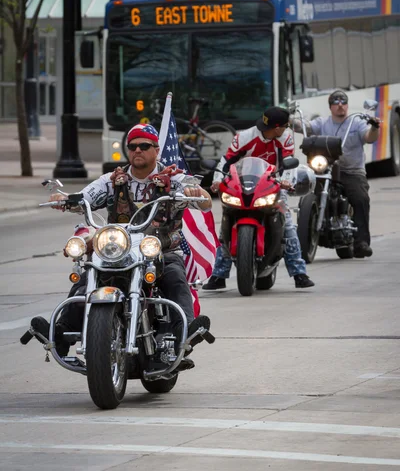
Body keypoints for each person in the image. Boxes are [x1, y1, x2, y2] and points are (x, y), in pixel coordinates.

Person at [32, 124, 213, 364]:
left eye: (144, 146)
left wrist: (197, 193)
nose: (138, 150)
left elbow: (205, 201)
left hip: (161, 250)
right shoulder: (113, 180)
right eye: (133, 146)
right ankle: (61, 333)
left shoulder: (174, 179)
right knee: (86, 277)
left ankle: (185, 332)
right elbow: (86, 196)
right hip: (119, 252)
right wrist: (66, 199)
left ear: (156, 150)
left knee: (175, 277)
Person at [203, 107, 315, 291]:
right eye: (285, 126)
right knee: (225, 227)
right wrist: (216, 181)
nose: (286, 129)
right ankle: (218, 276)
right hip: (241, 186)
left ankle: (299, 274)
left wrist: (287, 181)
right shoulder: (244, 137)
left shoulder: (285, 138)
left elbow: (289, 162)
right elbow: (226, 160)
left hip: (273, 184)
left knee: (287, 225)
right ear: (277, 127)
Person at [291, 89, 381, 258]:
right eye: (336, 102)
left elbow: (369, 137)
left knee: (360, 198)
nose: (340, 105)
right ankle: (306, 229)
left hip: (351, 171)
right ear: (330, 106)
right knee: (307, 190)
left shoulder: (357, 122)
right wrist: (289, 120)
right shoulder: (322, 123)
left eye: (343, 102)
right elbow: (307, 127)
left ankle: (361, 242)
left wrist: (375, 127)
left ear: (347, 105)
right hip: (325, 169)